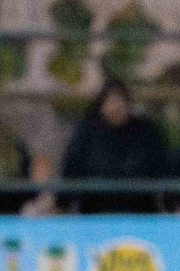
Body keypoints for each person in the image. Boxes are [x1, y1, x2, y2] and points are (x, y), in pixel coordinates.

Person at [59, 79, 170, 213]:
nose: (115, 107)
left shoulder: (146, 131)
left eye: (119, 100)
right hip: (95, 211)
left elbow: (162, 169)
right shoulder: (87, 133)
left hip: (139, 211)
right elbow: (72, 169)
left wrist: (171, 204)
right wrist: (61, 204)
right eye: (109, 101)